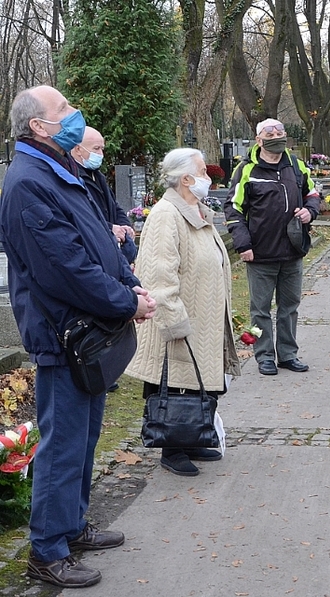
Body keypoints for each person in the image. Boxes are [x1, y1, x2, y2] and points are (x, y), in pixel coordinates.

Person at [0, 85, 156, 588]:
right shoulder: (28, 182)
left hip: (89, 330)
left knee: (84, 440)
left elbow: (98, 244)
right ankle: (46, 551)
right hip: (64, 335)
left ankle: (72, 528)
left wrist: (130, 283)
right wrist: (125, 302)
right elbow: (64, 270)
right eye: (63, 109)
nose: (74, 114)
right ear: (39, 127)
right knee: (63, 445)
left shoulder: (60, 168)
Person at [126, 148, 241, 476]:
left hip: (203, 319)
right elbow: (160, 275)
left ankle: (191, 438)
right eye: (203, 171)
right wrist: (174, 321)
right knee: (174, 385)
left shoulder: (196, 211)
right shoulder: (166, 215)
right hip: (179, 322)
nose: (209, 176)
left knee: (197, 383)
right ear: (186, 178)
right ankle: (171, 447)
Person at [224, 118, 321, 375]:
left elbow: (312, 193)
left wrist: (310, 212)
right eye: (270, 133)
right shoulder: (247, 170)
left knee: (289, 307)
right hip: (260, 254)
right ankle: (264, 355)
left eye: (280, 132)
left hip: (293, 250)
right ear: (259, 139)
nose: (276, 136)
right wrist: (243, 244)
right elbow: (233, 208)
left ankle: (288, 354)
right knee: (260, 311)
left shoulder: (296, 166)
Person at [72, 126, 137, 265]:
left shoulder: (97, 175)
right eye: (96, 149)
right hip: (92, 253)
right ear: (78, 149)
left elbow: (113, 206)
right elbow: (82, 217)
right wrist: (109, 228)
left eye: (102, 149)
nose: (101, 154)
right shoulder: (73, 177)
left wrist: (124, 225)